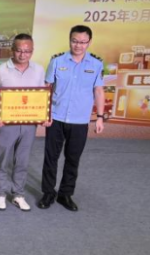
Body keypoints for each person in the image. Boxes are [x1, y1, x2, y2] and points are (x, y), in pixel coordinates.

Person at [38, 25, 105, 211]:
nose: (78, 45)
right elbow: (47, 88)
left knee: (73, 158)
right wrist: (44, 113)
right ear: (69, 40)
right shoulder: (57, 61)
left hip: (80, 120)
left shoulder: (96, 64)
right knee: (51, 157)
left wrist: (100, 117)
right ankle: (48, 193)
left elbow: (99, 91)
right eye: (75, 41)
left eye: (83, 42)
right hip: (56, 118)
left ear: (89, 42)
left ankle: (65, 194)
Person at [0, 34, 45, 212]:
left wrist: (44, 115)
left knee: (22, 160)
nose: (23, 55)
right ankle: (0, 193)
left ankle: (18, 194)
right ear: (12, 50)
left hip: (29, 123)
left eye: (27, 51)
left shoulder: (39, 70)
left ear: (32, 51)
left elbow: (41, 96)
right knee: (2, 159)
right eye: (19, 50)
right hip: (6, 123)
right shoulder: (1, 70)